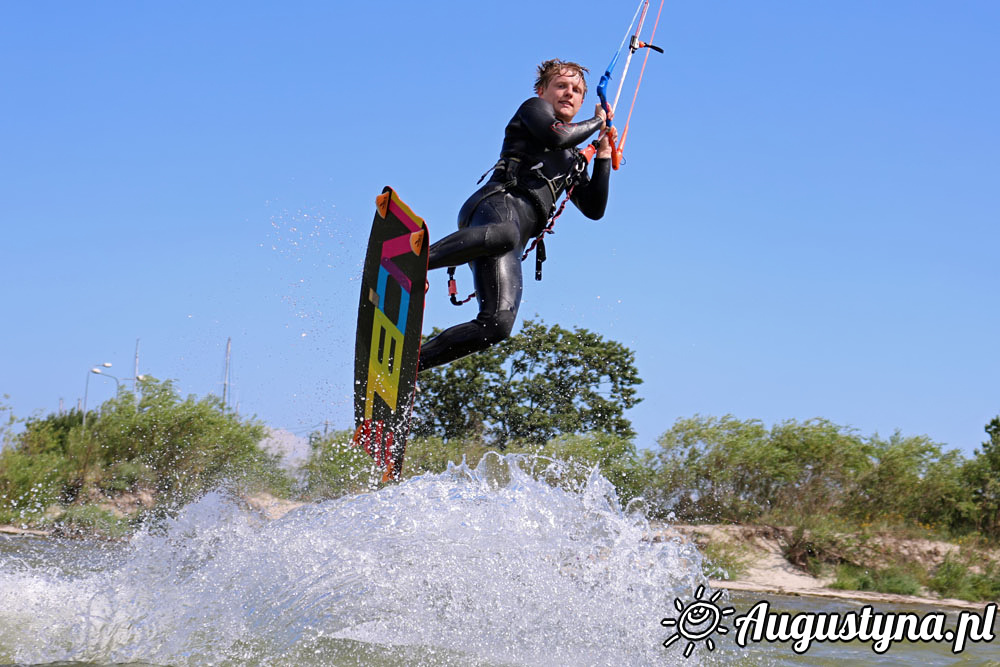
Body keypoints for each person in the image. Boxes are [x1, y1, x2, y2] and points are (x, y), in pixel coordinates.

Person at [417, 59, 617, 372]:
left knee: (497, 324)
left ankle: (411, 364)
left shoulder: (573, 160)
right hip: (492, 208)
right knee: (505, 232)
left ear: (581, 100)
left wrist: (603, 154)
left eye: (577, 90)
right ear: (542, 90)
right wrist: (597, 122)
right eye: (561, 86)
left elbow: (594, 209)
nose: (569, 93)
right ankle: (414, 261)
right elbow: (557, 136)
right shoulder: (534, 109)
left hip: (510, 241)